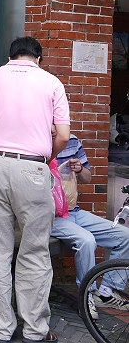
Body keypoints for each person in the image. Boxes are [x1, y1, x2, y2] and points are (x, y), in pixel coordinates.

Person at [0, 36, 70, 343]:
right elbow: (63, 136)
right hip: (32, 168)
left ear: (11, 56)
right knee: (34, 251)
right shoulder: (51, 83)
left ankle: (2, 330)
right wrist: (46, 156)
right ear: (38, 58)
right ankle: (34, 330)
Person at [51, 134, 129, 319]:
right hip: (50, 216)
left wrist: (79, 169)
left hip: (74, 211)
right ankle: (86, 296)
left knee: (124, 236)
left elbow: (87, 177)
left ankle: (106, 293)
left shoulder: (72, 141)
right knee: (87, 241)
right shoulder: (36, 138)